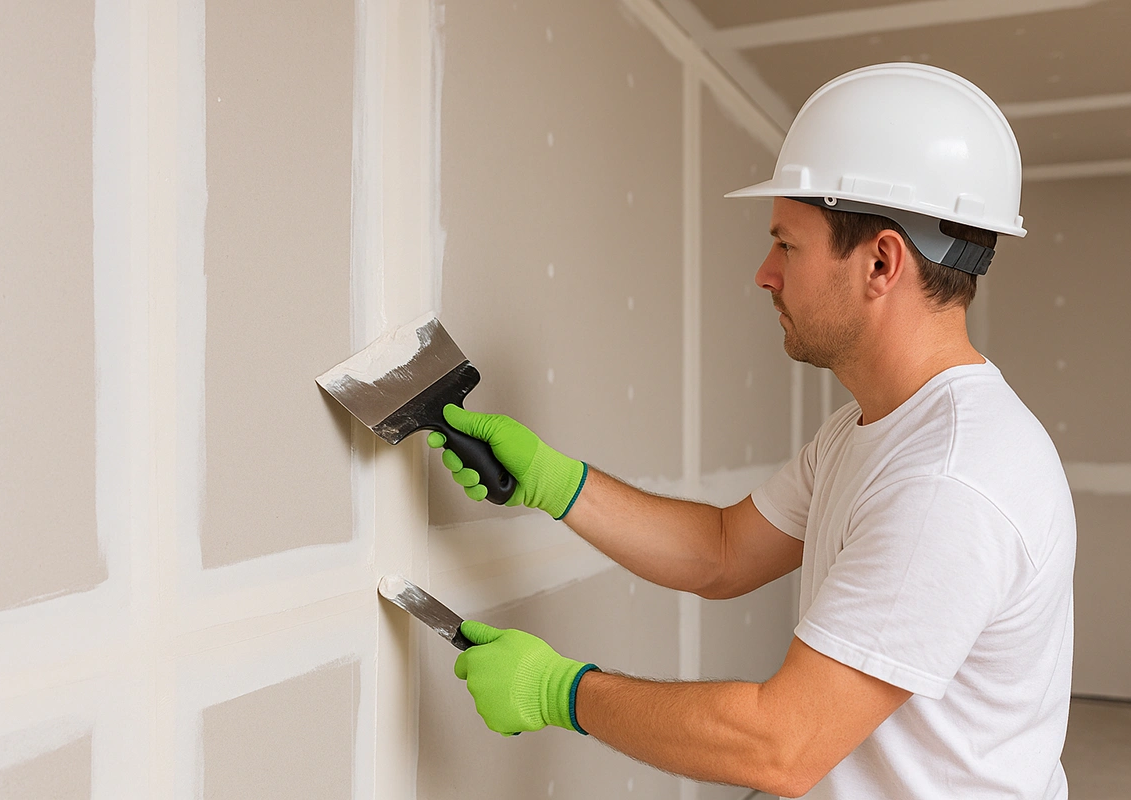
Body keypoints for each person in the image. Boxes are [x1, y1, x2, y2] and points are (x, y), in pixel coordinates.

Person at [431, 63, 1076, 799]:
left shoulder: (950, 479)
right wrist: (555, 482)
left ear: (881, 262)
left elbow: (782, 745)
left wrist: (561, 693)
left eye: (787, 245)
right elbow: (722, 553)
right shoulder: (865, 431)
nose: (764, 273)